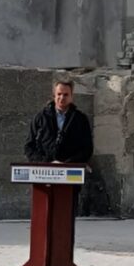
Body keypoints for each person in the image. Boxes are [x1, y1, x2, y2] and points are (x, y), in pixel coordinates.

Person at [24, 79, 93, 252]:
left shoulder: (80, 119)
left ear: (72, 96)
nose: (62, 98)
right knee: (44, 218)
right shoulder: (41, 117)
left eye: (66, 94)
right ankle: (42, 254)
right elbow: (29, 147)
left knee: (65, 219)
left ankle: (63, 254)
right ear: (53, 95)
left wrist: (65, 165)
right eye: (59, 94)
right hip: (44, 178)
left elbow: (87, 149)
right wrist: (48, 164)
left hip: (69, 178)